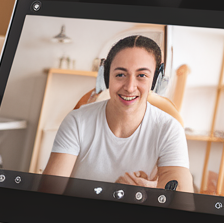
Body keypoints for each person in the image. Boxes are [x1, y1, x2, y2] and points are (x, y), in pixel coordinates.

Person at [43, 36, 191, 190]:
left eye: (142, 75)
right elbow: (49, 191)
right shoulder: (77, 121)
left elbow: (182, 200)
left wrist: (150, 195)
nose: (130, 87)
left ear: (155, 80)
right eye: (120, 74)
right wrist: (114, 193)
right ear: (107, 76)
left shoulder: (170, 129)